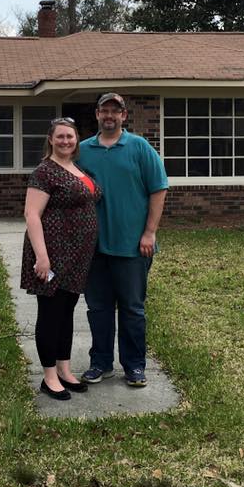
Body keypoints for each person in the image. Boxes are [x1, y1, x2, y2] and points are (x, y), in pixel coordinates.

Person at [78, 93, 168, 388]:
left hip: (133, 246)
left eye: (115, 111)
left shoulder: (139, 147)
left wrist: (150, 232)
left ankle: (134, 366)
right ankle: (100, 363)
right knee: (98, 309)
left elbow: (159, 189)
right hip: (94, 247)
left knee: (132, 309)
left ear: (124, 116)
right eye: (104, 110)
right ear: (97, 114)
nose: (109, 115)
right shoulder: (83, 151)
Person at [21, 117, 102, 401]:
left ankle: (64, 369)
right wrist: (42, 257)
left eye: (70, 136)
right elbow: (31, 214)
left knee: (67, 312)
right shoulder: (45, 172)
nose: (66, 141)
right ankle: (49, 377)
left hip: (77, 255)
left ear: (76, 139)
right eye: (60, 136)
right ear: (51, 140)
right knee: (50, 313)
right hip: (53, 253)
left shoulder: (77, 169)